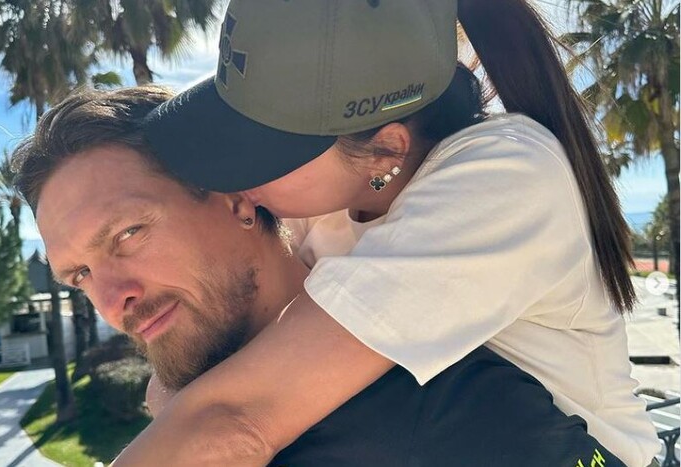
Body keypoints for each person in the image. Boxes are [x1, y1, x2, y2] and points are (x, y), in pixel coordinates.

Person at [113, 0, 660, 465]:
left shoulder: (506, 177)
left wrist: (187, 397)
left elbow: (234, 417)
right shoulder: (329, 196)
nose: (235, 179)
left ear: (385, 150)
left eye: (264, 154)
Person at [12, 86, 627, 467]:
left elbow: (230, 422)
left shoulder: (422, 409)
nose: (113, 301)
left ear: (238, 198)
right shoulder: (331, 239)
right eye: (80, 275)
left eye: (128, 234)